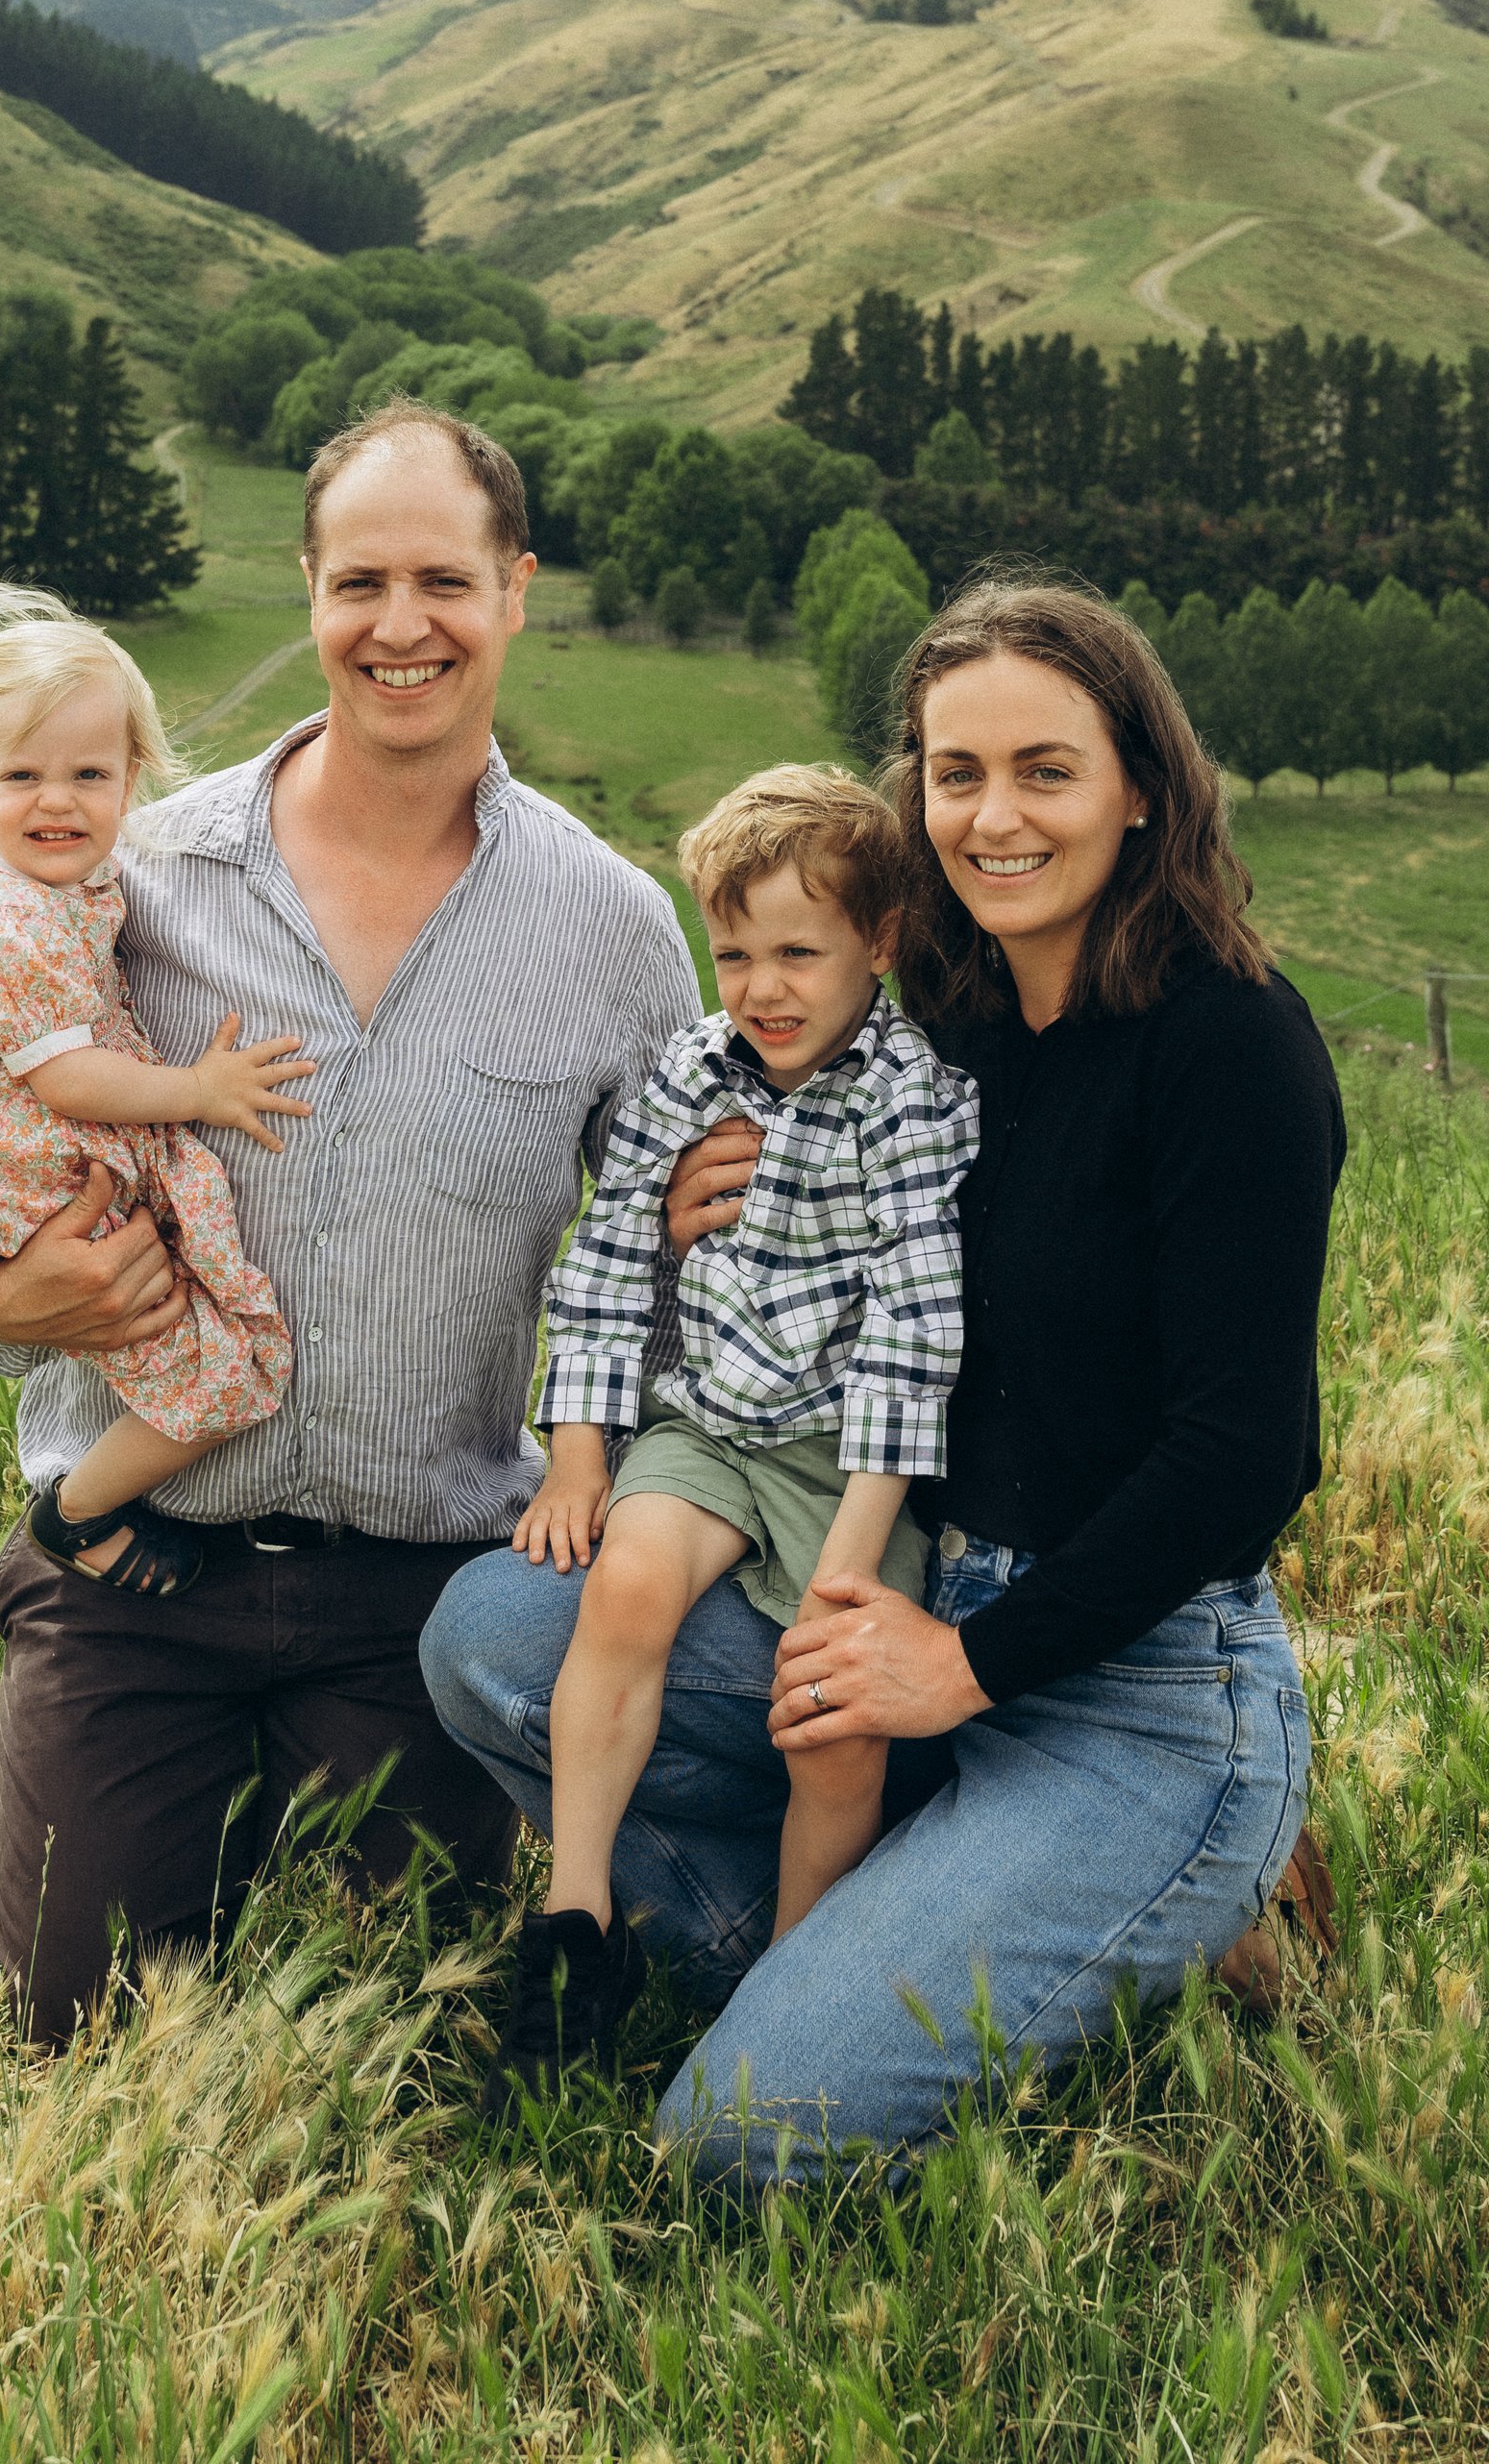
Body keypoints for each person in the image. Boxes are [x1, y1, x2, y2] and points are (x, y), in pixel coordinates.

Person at [423, 572, 1344, 2180]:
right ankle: (916, 1919)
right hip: (899, 1594)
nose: (995, 815)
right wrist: (696, 1222)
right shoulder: (950, 1026)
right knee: (493, 1640)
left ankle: (1158, 1906)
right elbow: (837, 1274)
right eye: (954, 772)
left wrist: (970, 1667)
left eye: (1045, 770)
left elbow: (1244, 1457)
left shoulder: (1232, 1044)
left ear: (1142, 787)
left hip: (1133, 1698)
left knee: (741, 2142)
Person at [0, 403, 701, 2045]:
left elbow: (658, 1280)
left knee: (407, 2037)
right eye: (361, 579)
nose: (401, 624)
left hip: (425, 1595)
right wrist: (9, 1297)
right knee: (75, 2037)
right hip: (137, 1567)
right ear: (308, 591)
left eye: (445, 577)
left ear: (517, 590)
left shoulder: (614, 931)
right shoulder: (122, 876)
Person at [490, 767, 977, 2102]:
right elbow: (598, 1262)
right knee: (627, 1583)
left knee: (832, 1715)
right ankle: (576, 1921)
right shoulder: (691, 1071)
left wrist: (856, 1562)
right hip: (707, 1419)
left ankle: (794, 1984)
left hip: (843, 1455)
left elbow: (912, 1335)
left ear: (878, 944)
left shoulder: (914, 1101)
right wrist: (582, 1446)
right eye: (736, 951)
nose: (763, 986)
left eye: (800, 952)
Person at [0, 573, 304, 1594]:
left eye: (88, 773)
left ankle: (104, 1500)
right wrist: (201, 1090)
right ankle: (77, 1513)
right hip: (44, 1183)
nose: (56, 801)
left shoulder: (51, 885)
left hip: (48, 1161)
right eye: (22, 777)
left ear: (132, 778)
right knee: (225, 1378)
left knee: (208, 1352)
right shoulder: (2, 922)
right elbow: (73, 1078)